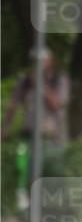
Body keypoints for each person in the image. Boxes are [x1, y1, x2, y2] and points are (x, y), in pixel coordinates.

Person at [1, 47, 70, 178]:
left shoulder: (60, 80)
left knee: (50, 177)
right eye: (35, 61)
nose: (37, 64)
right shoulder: (25, 81)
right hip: (28, 135)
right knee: (22, 170)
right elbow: (12, 105)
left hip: (51, 138)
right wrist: (5, 127)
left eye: (41, 61)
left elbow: (56, 104)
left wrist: (41, 85)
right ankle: (23, 196)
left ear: (50, 61)